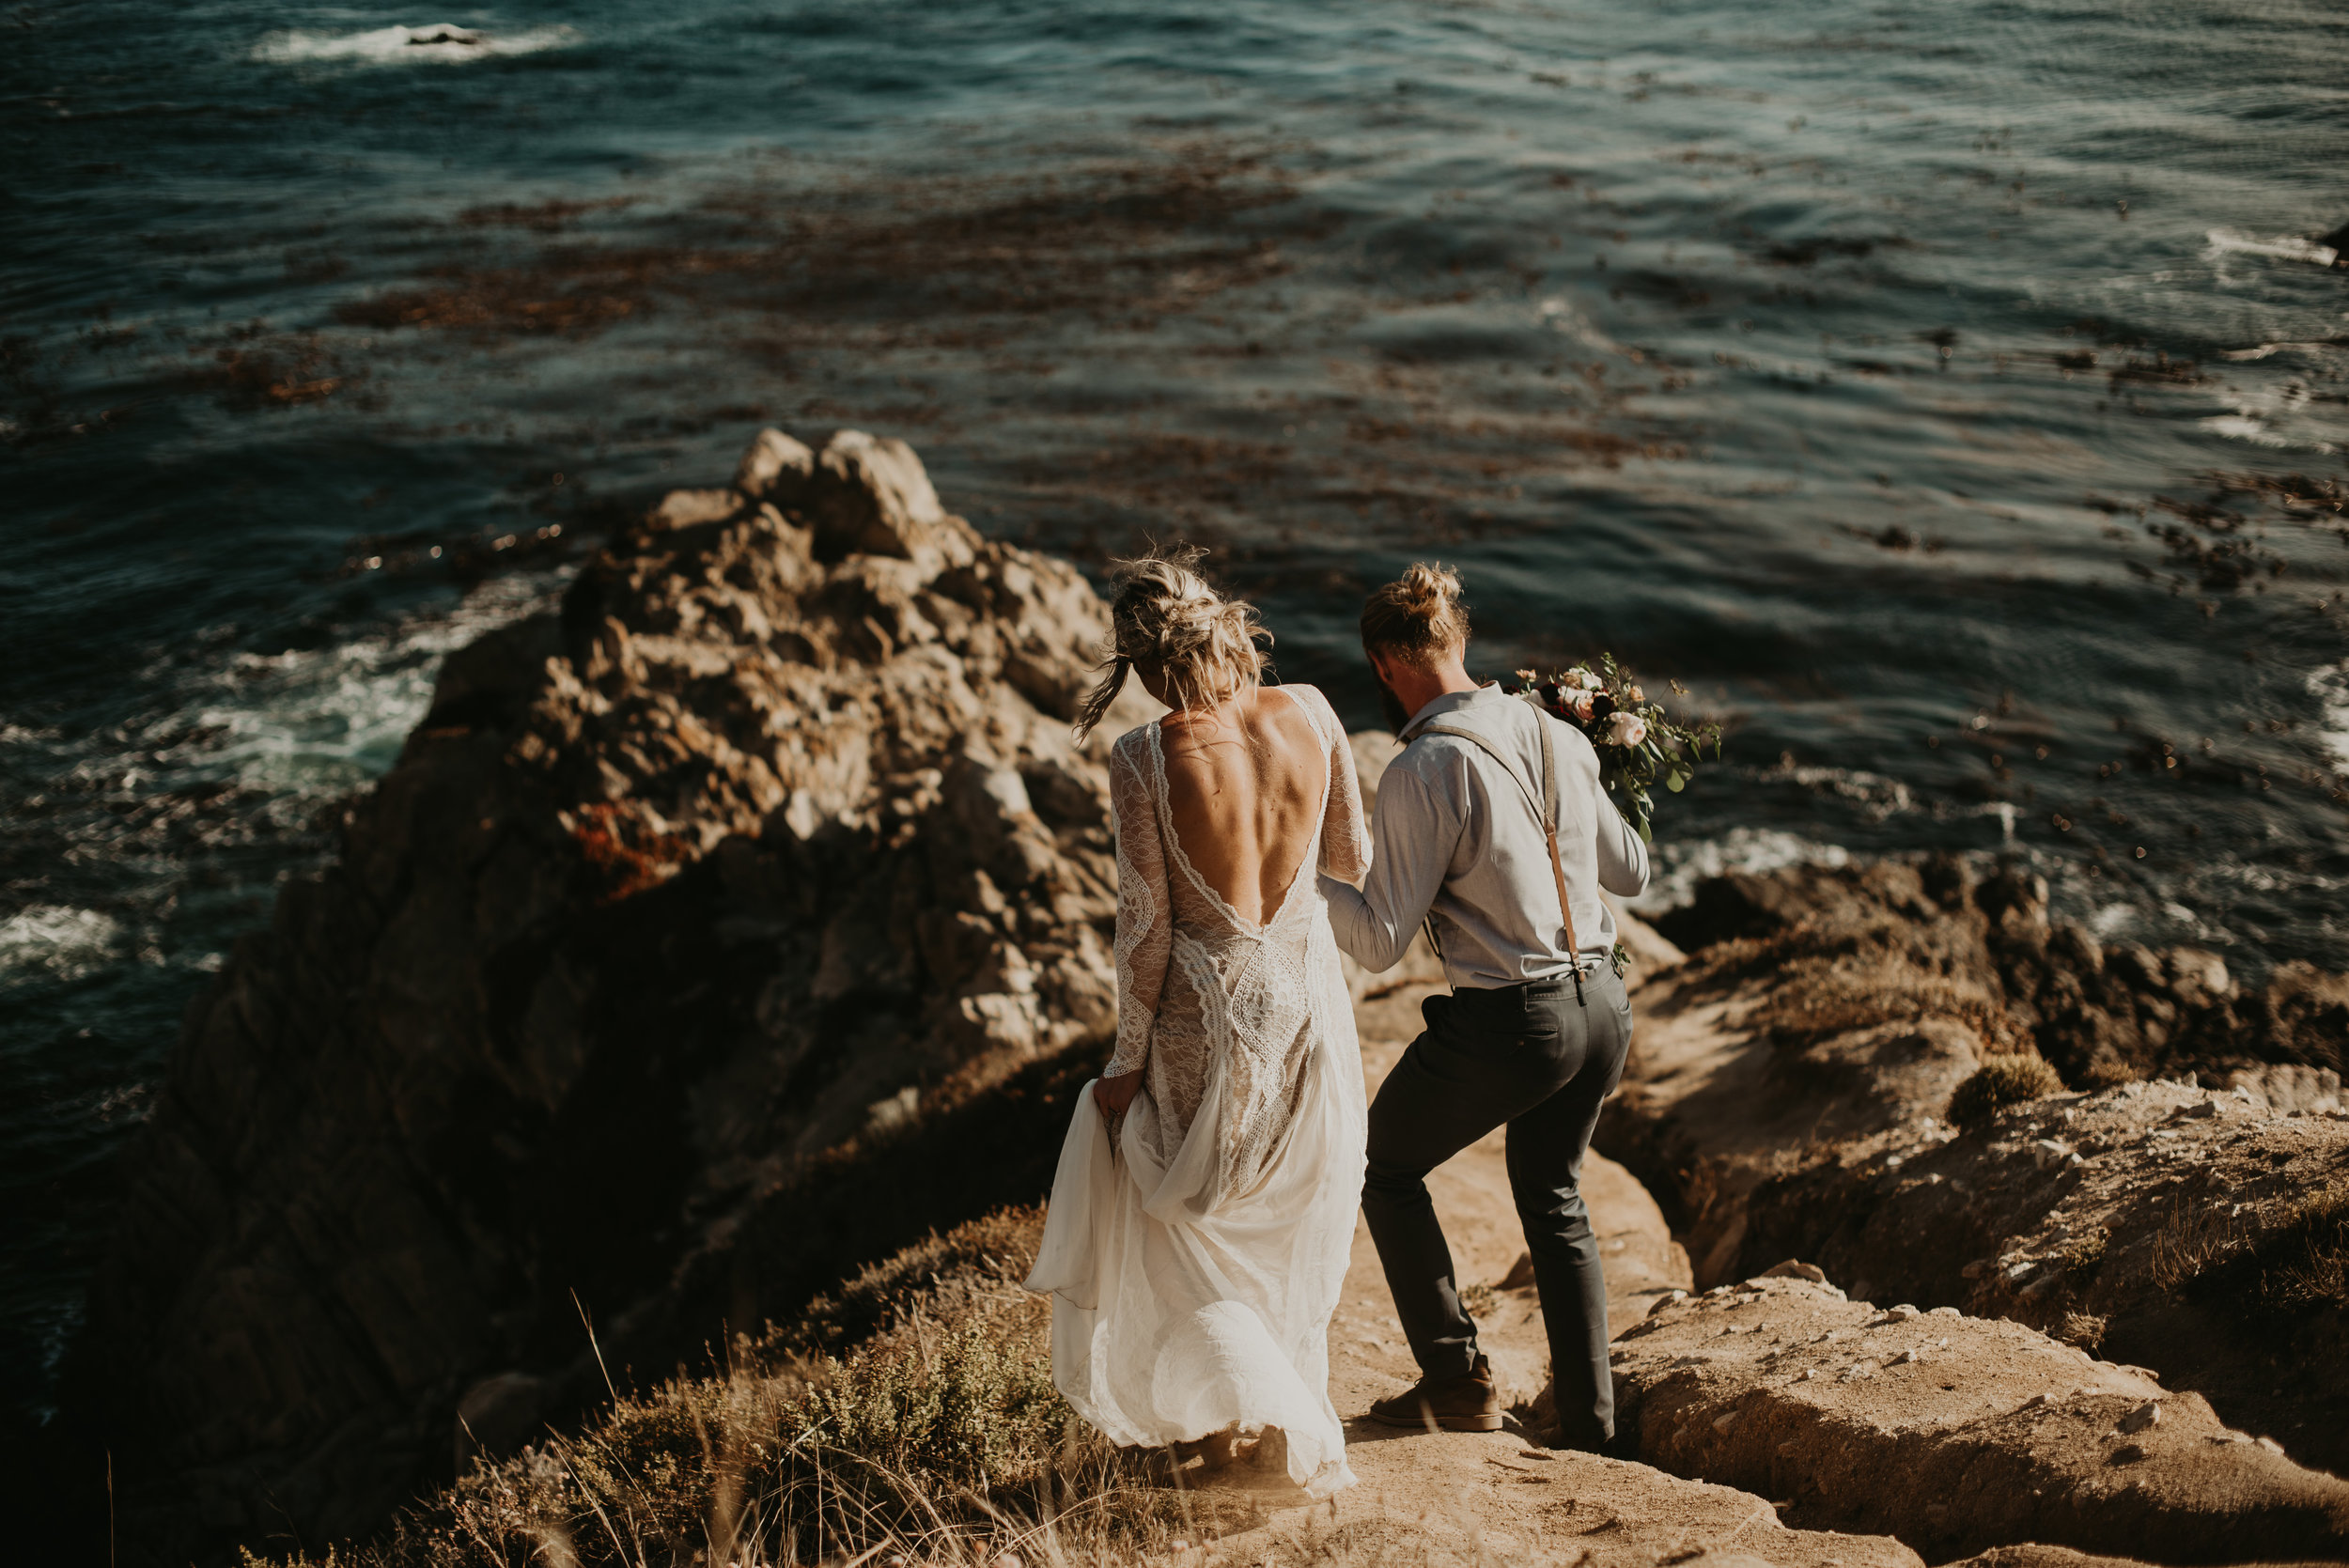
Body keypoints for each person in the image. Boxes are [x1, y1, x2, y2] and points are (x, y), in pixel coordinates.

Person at [1024, 546, 1369, 1497]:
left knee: (1178, 1215)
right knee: (1270, 1214)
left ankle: (1221, 1434)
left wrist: (1125, 1063)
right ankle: (1262, 1424)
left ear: (1139, 666)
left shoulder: (1141, 756)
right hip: (1300, 998)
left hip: (1199, 1019)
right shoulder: (1314, 710)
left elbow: (1145, 933)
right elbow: (1350, 853)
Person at [1317, 563, 1649, 1452]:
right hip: (1606, 1005)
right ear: (1459, 641)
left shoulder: (1423, 766)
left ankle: (1457, 1380)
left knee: (1380, 1164)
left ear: (1387, 664)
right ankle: (1591, 1427)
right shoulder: (1557, 735)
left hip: (1517, 1022)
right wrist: (1588, 775)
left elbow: (1382, 938)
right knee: (1555, 1195)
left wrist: (1300, 880)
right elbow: (1634, 871)